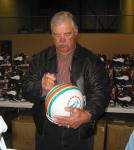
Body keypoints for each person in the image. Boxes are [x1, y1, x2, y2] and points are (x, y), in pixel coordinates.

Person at [22, 11, 110, 150]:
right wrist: (41, 87)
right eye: (57, 35)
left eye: (67, 34)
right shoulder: (40, 59)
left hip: (79, 128)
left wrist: (87, 115)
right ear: (52, 35)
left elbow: (102, 93)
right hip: (47, 128)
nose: (62, 40)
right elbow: (26, 89)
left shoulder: (91, 60)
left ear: (75, 32)